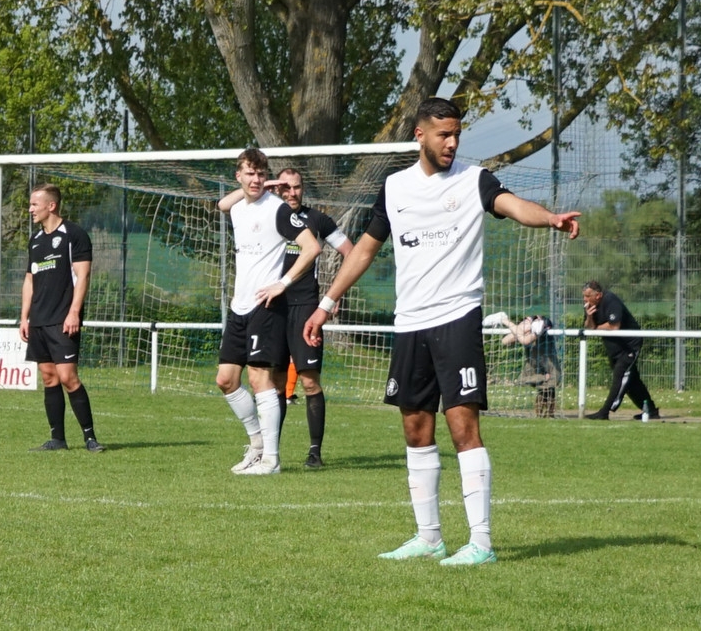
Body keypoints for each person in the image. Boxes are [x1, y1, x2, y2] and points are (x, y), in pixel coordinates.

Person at [304, 97, 581, 566]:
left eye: (456, 135)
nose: (452, 143)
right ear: (420, 135)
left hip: (457, 318)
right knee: (415, 428)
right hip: (410, 323)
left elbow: (513, 205)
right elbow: (365, 250)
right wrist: (326, 304)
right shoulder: (394, 187)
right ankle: (429, 537)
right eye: (444, 134)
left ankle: (481, 543)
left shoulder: (475, 180)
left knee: (462, 427)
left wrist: (550, 218)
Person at [214, 148, 321, 475]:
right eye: (250, 173)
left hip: (267, 306)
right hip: (239, 306)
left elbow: (312, 247)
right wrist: (259, 185)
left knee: (260, 379)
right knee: (226, 380)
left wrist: (283, 283)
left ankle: (271, 460)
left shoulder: (278, 210)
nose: (256, 180)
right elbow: (222, 204)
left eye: (261, 174)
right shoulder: (237, 208)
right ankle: (257, 444)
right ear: (239, 176)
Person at [275, 167, 354, 468]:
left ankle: (314, 453)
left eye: (296, 187)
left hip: (306, 307)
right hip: (273, 307)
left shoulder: (318, 220)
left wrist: (335, 294)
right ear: (277, 189)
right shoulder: (270, 216)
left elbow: (351, 252)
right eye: (286, 188)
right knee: (274, 383)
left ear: (303, 189)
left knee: (309, 382)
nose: (292, 193)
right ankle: (269, 451)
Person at [20, 183, 104, 452]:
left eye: (34, 204)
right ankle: (57, 439)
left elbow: (83, 275)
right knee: (49, 377)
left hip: (63, 319)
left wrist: (74, 312)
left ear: (51, 205)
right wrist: (24, 317)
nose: (30, 209)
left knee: (68, 377)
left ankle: (90, 438)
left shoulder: (74, 235)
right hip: (39, 320)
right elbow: (30, 279)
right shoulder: (35, 239)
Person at [581, 281, 659, 420]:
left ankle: (604, 411)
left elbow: (614, 326)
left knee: (620, 376)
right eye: (584, 296)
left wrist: (596, 328)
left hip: (629, 345)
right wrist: (589, 316)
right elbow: (589, 326)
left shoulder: (611, 300)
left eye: (587, 296)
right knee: (632, 382)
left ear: (598, 295)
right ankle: (651, 410)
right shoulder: (589, 306)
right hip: (614, 348)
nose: (585, 299)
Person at [488, 312, 561, 417]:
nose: (522, 323)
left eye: (526, 321)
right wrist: (517, 330)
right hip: (534, 370)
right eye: (522, 322)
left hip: (551, 371)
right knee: (521, 381)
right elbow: (504, 341)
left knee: (547, 389)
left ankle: (549, 412)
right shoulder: (523, 333)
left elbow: (525, 341)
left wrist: (506, 321)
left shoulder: (540, 328)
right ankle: (543, 384)